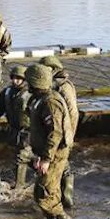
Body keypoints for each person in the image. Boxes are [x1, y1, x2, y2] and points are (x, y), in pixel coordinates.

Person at [25, 64, 72, 219]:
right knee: (47, 189)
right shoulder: (39, 98)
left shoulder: (51, 102)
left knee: (44, 191)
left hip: (54, 154)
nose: (27, 85)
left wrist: (45, 159)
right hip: (45, 152)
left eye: (29, 81)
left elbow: (55, 133)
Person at [40, 55, 79, 209]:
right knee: (60, 163)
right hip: (60, 131)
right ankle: (62, 195)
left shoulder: (63, 88)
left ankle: (64, 195)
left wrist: (69, 137)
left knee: (60, 164)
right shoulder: (57, 85)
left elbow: (73, 113)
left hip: (63, 133)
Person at [0, 64, 33, 188]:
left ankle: (19, 187)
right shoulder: (7, 92)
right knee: (22, 157)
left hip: (28, 131)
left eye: (19, 78)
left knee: (21, 157)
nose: (15, 81)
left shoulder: (30, 94)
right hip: (14, 130)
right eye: (13, 78)